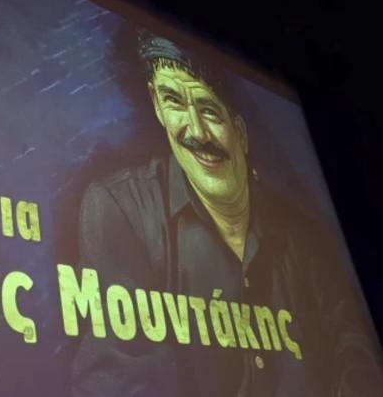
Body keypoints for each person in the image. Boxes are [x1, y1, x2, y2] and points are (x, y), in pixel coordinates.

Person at [70, 32, 383, 396]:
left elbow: (359, 360)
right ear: (155, 103)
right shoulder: (120, 208)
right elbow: (114, 382)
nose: (196, 131)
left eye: (209, 109)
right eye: (173, 101)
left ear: (242, 132)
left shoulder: (306, 241)